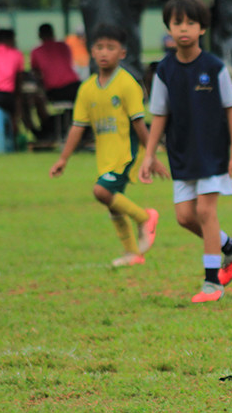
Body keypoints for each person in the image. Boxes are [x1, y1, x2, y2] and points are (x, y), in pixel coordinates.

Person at [139, 0, 232, 304]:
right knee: (185, 217)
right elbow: (159, 115)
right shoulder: (164, 70)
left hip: (212, 152)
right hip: (181, 152)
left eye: (191, 22)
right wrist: (149, 154)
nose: (183, 29)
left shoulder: (214, 67)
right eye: (177, 23)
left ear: (202, 28)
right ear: (168, 28)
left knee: (204, 211)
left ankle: (212, 283)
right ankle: (230, 247)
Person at [49, 23, 159, 268]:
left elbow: (140, 124)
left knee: (102, 192)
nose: (104, 52)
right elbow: (77, 126)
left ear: (122, 53)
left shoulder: (127, 84)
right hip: (106, 157)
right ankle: (133, 254)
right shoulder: (87, 88)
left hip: (126, 154)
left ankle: (145, 217)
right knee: (112, 204)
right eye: (99, 47)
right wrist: (63, 159)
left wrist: (150, 154)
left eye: (111, 47)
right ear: (91, 51)